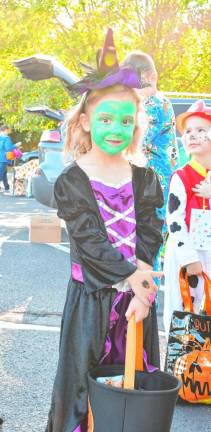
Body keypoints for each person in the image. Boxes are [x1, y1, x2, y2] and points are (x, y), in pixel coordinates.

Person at [46, 29, 163, 432]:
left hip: (138, 302)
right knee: (82, 394)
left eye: (125, 120)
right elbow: (91, 242)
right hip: (91, 303)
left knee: (132, 395)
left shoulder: (146, 179)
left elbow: (149, 236)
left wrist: (144, 295)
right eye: (106, 119)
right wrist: (135, 279)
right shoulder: (73, 181)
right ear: (85, 121)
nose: (116, 128)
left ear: (136, 125)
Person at [163, 100, 211, 335]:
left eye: (201, 130)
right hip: (188, 254)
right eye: (189, 131)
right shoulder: (181, 176)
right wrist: (189, 258)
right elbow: (174, 220)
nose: (193, 136)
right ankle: (182, 368)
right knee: (185, 311)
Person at [121, 51, 178, 229]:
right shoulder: (157, 101)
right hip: (157, 179)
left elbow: (137, 141)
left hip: (157, 181)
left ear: (152, 77)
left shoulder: (154, 104)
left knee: (153, 232)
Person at [0, 125, 22, 193]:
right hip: (3, 158)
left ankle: (6, 187)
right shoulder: (6, 138)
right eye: (8, 130)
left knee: (3, 173)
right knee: (1, 173)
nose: (8, 132)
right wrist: (16, 145)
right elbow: (8, 148)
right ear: (5, 130)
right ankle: (6, 187)